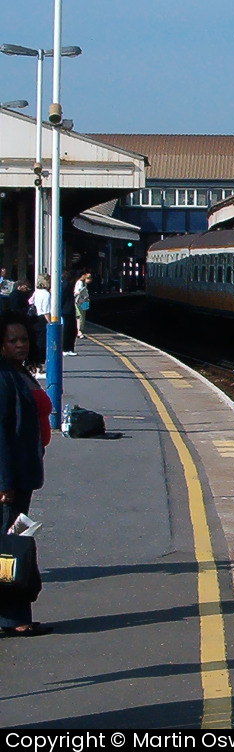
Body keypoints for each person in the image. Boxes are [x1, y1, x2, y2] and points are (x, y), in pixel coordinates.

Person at [0, 312, 50, 636]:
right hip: (10, 481)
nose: (21, 345)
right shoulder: (3, 378)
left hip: (23, 475)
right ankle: (12, 617)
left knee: (12, 545)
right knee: (8, 548)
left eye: (24, 339)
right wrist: (3, 483)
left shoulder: (20, 373)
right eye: (13, 340)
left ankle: (14, 614)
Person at [27, 275, 50, 378]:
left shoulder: (36, 292)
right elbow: (46, 311)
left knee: (35, 342)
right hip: (42, 320)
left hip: (34, 319)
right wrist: (51, 323)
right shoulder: (46, 294)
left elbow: (30, 302)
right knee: (42, 344)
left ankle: (34, 367)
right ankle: (39, 368)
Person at [59, 270, 77, 356]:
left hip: (67, 310)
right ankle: (67, 348)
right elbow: (63, 298)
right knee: (68, 330)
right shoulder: (66, 285)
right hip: (67, 310)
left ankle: (69, 348)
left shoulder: (65, 285)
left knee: (70, 330)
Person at [73, 273, 91, 339]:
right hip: (79, 301)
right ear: (86, 278)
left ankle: (80, 330)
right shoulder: (80, 283)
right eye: (89, 279)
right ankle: (79, 331)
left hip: (83, 301)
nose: (90, 281)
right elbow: (78, 291)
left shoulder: (84, 284)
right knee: (80, 316)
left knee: (82, 316)